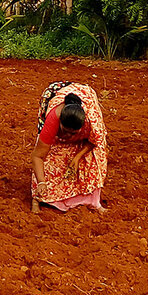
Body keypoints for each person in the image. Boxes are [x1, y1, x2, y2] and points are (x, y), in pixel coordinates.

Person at [30, 82, 108, 213]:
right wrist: (42, 182)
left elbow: (96, 141)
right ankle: (37, 198)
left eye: (72, 133)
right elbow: (38, 156)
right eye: (64, 131)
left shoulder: (92, 121)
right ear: (60, 122)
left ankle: (93, 201)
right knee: (52, 161)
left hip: (86, 103)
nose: (67, 136)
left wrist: (77, 157)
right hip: (55, 95)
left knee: (95, 158)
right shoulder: (52, 121)